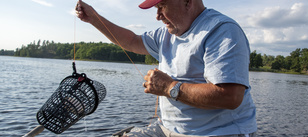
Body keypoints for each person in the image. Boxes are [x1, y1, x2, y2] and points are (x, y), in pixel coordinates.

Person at [76, 0, 257, 136]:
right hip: (166, 129)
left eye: (162, 5)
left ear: (187, 2)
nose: (158, 15)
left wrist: (169, 87)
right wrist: (94, 18)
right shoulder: (165, 34)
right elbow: (131, 41)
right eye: (156, 8)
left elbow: (230, 97)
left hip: (216, 133)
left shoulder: (221, 30)